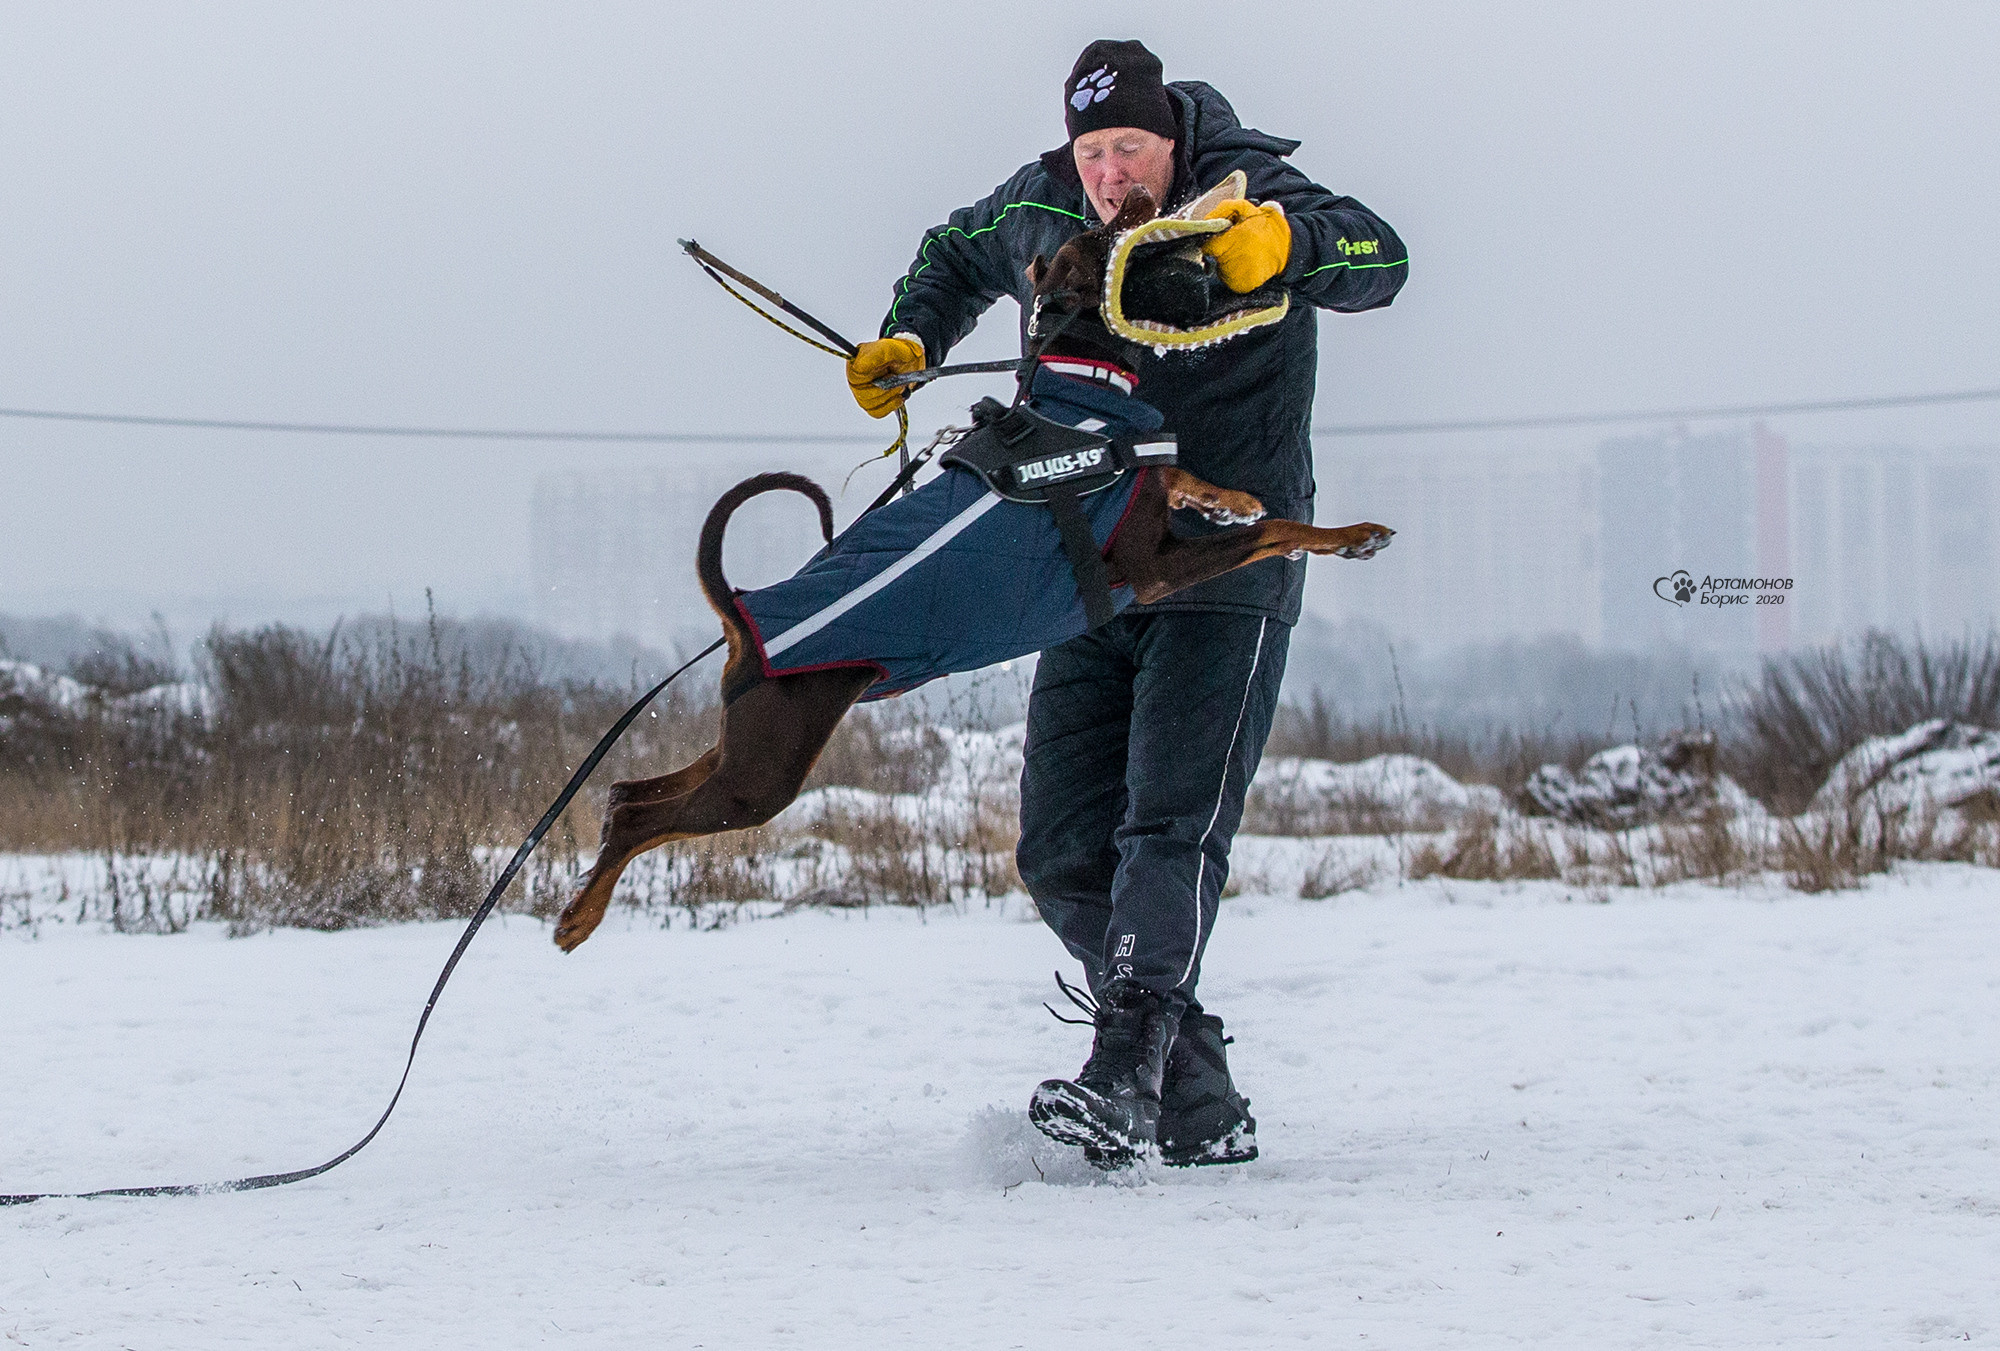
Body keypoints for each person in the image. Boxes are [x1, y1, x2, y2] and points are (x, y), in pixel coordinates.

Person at [846, 39, 1407, 1166]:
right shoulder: (1044, 202)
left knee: (1168, 829)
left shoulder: (1246, 189)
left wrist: (1282, 245)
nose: (1108, 174)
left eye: (1129, 148)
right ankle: (1193, 1085)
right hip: (1087, 566)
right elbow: (954, 252)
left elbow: (1379, 254)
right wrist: (911, 335)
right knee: (1059, 849)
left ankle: (1124, 1074)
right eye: (1092, 150)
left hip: (1226, 563)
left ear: (1171, 138)